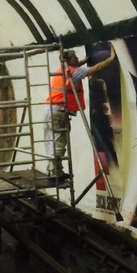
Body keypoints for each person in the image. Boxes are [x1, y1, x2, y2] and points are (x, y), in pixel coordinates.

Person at [44, 45, 116, 179]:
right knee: (59, 142)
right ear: (70, 60)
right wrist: (111, 58)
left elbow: (77, 66)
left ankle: (51, 170)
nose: (78, 59)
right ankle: (56, 174)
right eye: (75, 57)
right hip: (59, 112)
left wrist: (84, 60)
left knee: (50, 141)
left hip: (49, 110)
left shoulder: (61, 69)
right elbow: (97, 68)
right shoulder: (74, 73)